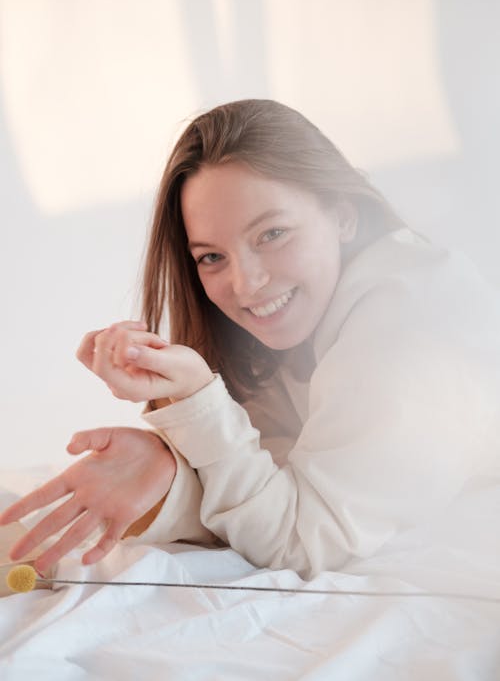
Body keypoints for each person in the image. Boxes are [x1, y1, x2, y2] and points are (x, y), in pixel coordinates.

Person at [1, 99, 499, 580]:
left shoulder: (409, 321)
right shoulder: (298, 321)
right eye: (212, 257)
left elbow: (301, 540)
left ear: (345, 216)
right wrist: (167, 473)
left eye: (272, 234)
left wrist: (197, 399)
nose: (246, 285)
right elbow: (265, 479)